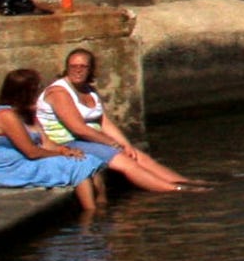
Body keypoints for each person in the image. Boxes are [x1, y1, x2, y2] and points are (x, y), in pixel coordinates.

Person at [39, 48, 205, 192]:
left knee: (137, 155)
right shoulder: (59, 92)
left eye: (83, 67)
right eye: (73, 66)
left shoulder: (89, 90)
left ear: (91, 69)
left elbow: (104, 121)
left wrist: (125, 144)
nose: (78, 70)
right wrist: (111, 143)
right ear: (67, 68)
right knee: (126, 163)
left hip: (88, 139)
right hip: (67, 143)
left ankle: (184, 181)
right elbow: (78, 128)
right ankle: (175, 189)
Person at [0, 67, 107, 213]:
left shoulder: (25, 112)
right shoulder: (6, 116)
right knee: (77, 166)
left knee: (89, 159)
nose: (40, 92)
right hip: (9, 171)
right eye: (37, 88)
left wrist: (65, 150)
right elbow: (31, 152)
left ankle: (102, 208)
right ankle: (91, 213)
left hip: (27, 163)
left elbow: (46, 142)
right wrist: (62, 154)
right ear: (25, 92)